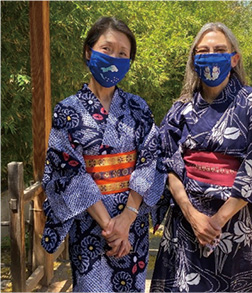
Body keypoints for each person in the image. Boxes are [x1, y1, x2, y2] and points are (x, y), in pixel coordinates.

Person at [150, 22, 252, 292]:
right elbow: (168, 164)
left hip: (232, 224)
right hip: (185, 224)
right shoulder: (181, 109)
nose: (211, 55)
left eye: (219, 49)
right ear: (194, 59)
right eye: (203, 51)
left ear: (234, 58)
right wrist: (193, 216)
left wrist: (216, 221)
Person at [41, 16, 165, 292]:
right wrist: (111, 227)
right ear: (89, 52)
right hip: (90, 224)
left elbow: (150, 162)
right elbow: (69, 171)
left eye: (123, 54)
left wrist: (127, 220)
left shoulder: (138, 108)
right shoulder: (68, 110)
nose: (114, 58)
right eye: (107, 49)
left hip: (131, 224)